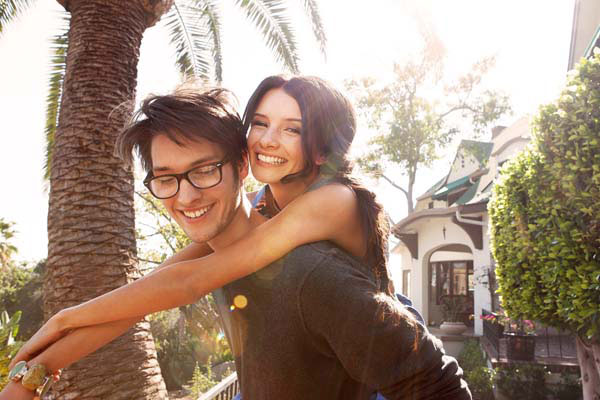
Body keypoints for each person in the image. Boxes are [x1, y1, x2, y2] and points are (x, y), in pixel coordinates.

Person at [3, 79, 467, 398]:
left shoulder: (319, 246)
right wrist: (30, 375)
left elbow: (441, 386)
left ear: (240, 165)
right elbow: (147, 295)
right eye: (165, 178)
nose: (186, 195)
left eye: (205, 170)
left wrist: (62, 318)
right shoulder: (250, 222)